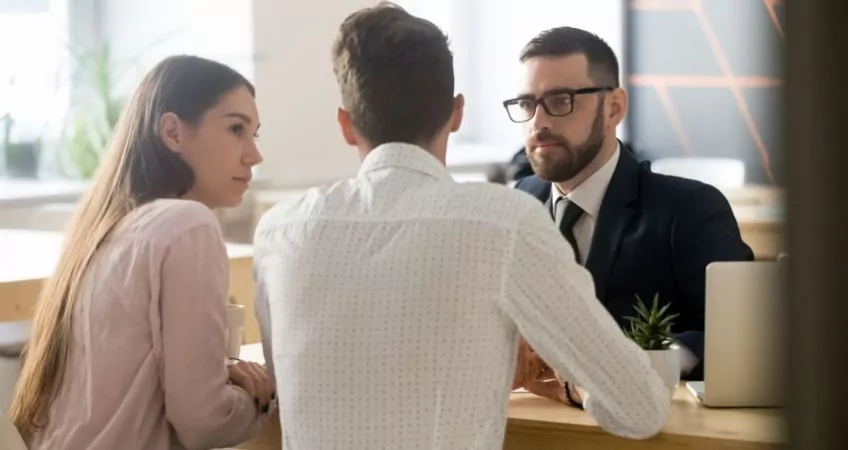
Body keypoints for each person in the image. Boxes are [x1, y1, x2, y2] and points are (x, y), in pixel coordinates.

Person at [252, 3, 669, 448]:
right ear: (456, 113)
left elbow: (287, 390)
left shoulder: (278, 233)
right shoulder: (504, 225)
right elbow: (639, 407)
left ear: (346, 125)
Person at [9, 55, 275, 450]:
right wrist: (261, 398)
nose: (254, 155)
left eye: (254, 134)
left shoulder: (106, 228)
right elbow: (203, 423)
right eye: (236, 128)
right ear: (173, 132)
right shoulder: (188, 225)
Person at [507, 27, 754, 384]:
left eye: (561, 101)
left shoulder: (689, 210)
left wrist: (653, 362)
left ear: (614, 107)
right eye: (527, 104)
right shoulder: (520, 202)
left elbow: (741, 333)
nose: (538, 122)